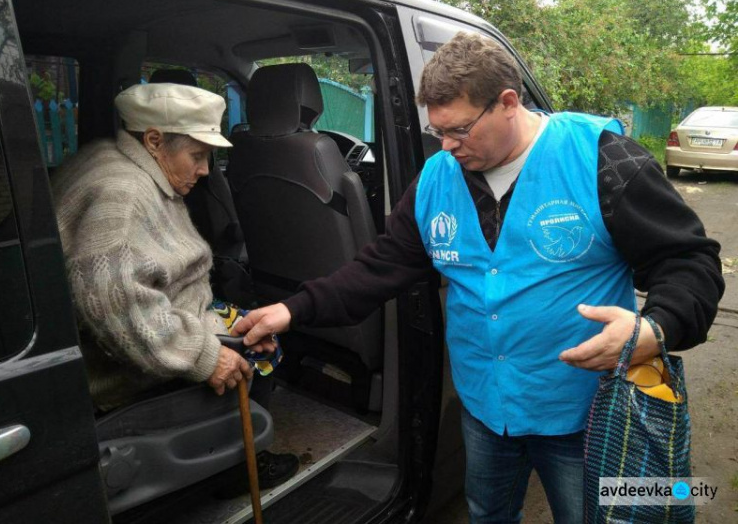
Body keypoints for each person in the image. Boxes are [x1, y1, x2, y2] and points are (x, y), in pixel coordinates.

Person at [236, 32, 724, 523]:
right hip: (486, 410)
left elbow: (690, 262)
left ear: (508, 102)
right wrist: (293, 309)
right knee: (487, 512)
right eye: (438, 132)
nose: (446, 147)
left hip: (583, 414)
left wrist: (653, 330)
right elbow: (380, 267)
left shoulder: (602, 160)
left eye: (460, 130)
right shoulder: (435, 179)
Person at [51, 81, 297, 487]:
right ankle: (236, 469)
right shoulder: (123, 193)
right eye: (197, 155)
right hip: (129, 360)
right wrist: (205, 356)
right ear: (153, 140)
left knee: (254, 324)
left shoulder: (112, 157)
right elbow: (115, 306)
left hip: (174, 316)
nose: (204, 170)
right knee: (262, 351)